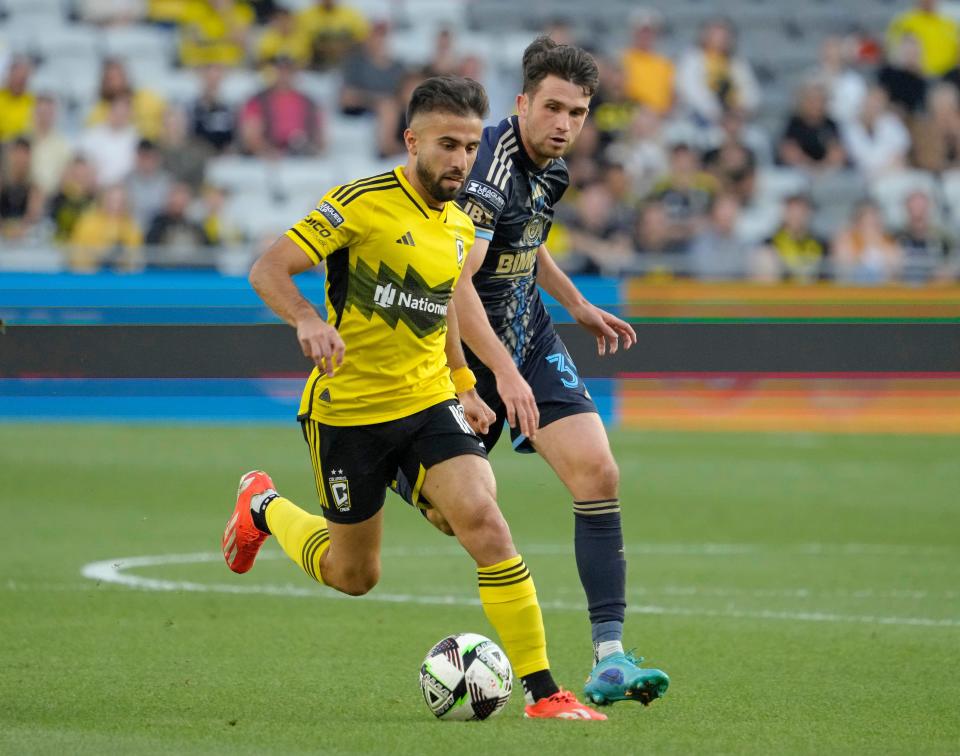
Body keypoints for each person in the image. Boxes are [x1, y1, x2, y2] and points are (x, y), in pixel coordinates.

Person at [221, 74, 606, 721]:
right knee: (354, 576)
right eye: (446, 145)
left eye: (467, 147)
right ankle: (261, 505)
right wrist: (307, 320)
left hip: (428, 402)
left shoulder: (458, 226)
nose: (459, 160)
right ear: (412, 141)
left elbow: (445, 309)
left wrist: (462, 385)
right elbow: (268, 268)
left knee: (485, 521)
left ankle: (545, 694)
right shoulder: (359, 203)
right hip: (348, 415)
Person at [395, 37, 670, 707]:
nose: (564, 125)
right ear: (522, 103)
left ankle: (609, 657)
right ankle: (395, 460)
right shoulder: (487, 168)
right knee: (446, 513)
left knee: (598, 472)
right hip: (460, 348)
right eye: (552, 108)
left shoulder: (552, 169)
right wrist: (501, 375)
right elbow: (458, 285)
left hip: (526, 333)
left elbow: (529, 242)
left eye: (577, 113)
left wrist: (575, 302)